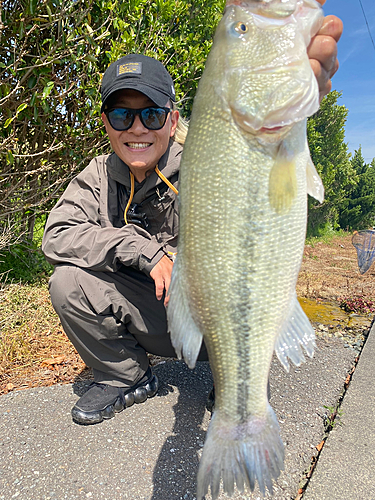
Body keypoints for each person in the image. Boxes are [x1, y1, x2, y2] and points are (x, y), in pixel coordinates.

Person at [42, 7, 343, 425]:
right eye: (121, 115)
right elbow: (56, 235)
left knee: (256, 296)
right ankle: (124, 375)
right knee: (67, 281)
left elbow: (260, 170)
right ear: (107, 125)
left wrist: (294, 97)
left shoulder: (208, 162)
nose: (137, 128)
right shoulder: (96, 174)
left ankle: (236, 379)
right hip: (158, 317)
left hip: (216, 318)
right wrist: (145, 253)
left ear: (174, 119)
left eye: (151, 114)